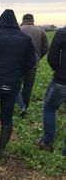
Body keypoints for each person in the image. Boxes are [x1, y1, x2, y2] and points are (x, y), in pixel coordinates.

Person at [0, 9, 36, 157]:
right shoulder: (25, 39)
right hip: (13, 82)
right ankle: (1, 149)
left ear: (0, 22)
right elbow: (31, 62)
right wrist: (19, 73)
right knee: (7, 115)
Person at [34, 27, 66, 155]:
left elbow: (52, 57)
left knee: (49, 108)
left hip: (62, 80)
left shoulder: (62, 33)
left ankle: (47, 142)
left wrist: (58, 71)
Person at [16, 13, 49, 118]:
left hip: (19, 63)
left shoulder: (18, 30)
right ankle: (25, 106)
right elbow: (46, 47)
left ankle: (21, 106)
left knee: (16, 85)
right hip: (33, 63)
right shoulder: (41, 31)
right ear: (33, 20)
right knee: (28, 86)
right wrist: (38, 57)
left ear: (23, 19)